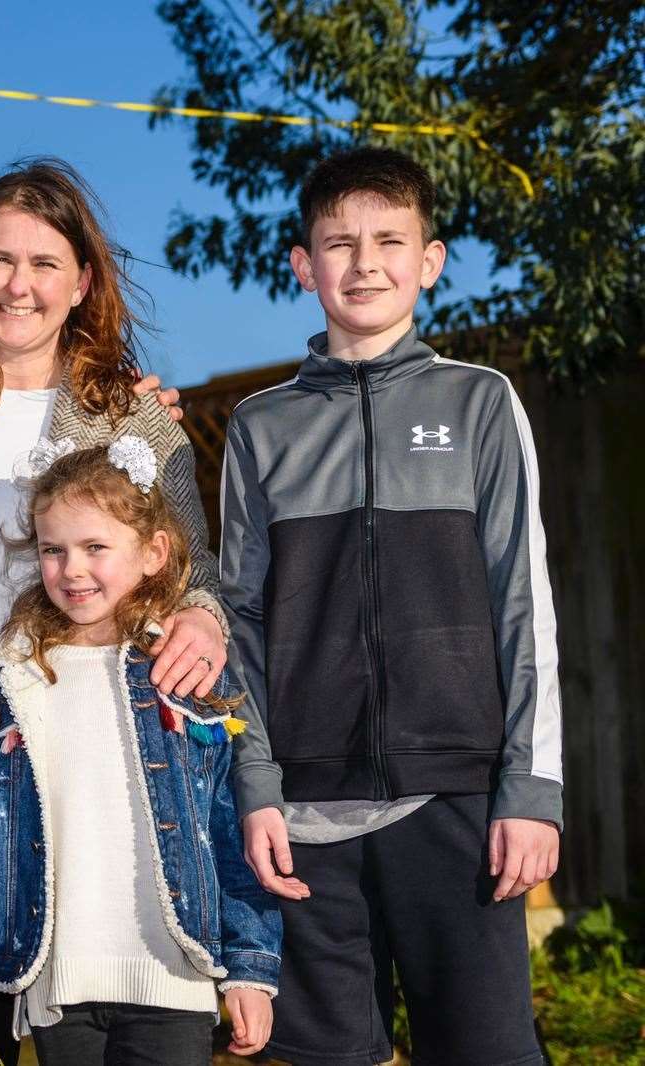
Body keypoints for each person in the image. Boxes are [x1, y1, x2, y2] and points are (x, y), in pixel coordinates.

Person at [0, 158, 225, 1065]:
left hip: (90, 803)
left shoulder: (137, 426)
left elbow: (196, 576)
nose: (18, 284)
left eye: (45, 262)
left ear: (83, 282)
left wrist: (208, 617)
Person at [220, 146, 562, 1066]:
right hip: (303, 822)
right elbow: (237, 625)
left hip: (457, 803)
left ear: (430, 259)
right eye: (338, 243)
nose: (363, 262)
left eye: (388, 240)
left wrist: (530, 791)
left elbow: (523, 605)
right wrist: (256, 790)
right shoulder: (261, 426)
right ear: (303, 265)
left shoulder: (480, 403)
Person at [0, 439, 280, 1065]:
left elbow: (225, 824)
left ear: (153, 553)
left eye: (95, 547)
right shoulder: (2, 679)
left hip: (176, 975)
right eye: (54, 550)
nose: (72, 568)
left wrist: (250, 968)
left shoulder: (188, 676)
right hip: (60, 984)